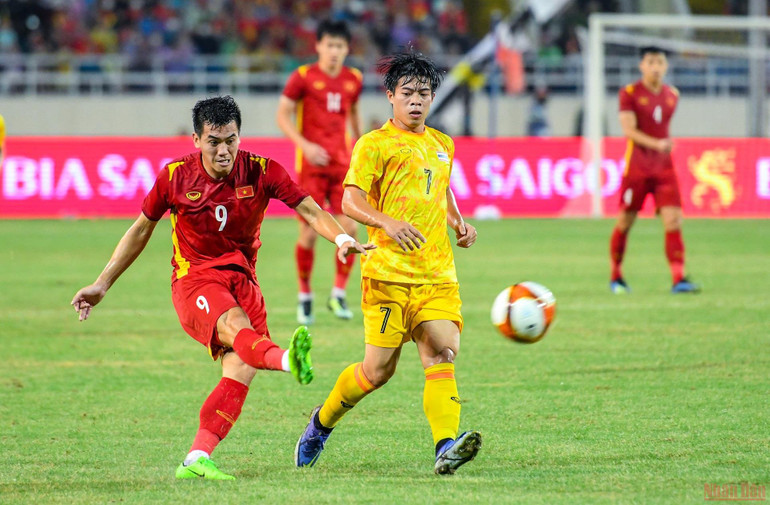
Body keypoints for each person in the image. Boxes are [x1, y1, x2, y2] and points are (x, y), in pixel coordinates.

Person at [71, 96, 373, 480]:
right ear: (197, 140)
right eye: (213, 141)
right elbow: (140, 230)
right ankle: (286, 360)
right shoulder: (174, 176)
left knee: (240, 369)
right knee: (233, 324)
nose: (224, 149)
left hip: (243, 280)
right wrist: (102, 283)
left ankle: (197, 458)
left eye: (230, 139)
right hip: (195, 277)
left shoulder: (262, 171)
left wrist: (342, 240)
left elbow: (311, 210)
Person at [294, 51, 482, 475]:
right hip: (387, 274)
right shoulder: (373, 144)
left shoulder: (441, 143)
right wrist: (387, 222)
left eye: (424, 93)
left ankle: (445, 448)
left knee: (442, 352)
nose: (416, 100)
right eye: (408, 93)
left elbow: (442, 189)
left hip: (437, 274)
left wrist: (459, 223)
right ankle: (320, 424)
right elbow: (350, 201)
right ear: (391, 96)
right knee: (377, 372)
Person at [276, 19, 363, 325]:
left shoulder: (354, 79)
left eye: (340, 46)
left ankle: (338, 294)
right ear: (318, 46)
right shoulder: (302, 77)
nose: (334, 51)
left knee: (350, 230)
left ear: (347, 48)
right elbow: (282, 114)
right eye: (330, 45)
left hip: (342, 167)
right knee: (309, 234)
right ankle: (305, 296)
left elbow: (352, 113)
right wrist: (305, 145)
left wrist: (361, 146)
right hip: (312, 167)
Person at [610, 46, 700, 294]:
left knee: (673, 220)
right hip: (637, 168)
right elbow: (629, 130)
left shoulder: (672, 95)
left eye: (660, 62)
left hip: (664, 169)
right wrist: (658, 144)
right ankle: (616, 276)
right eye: (650, 62)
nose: (656, 67)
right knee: (625, 221)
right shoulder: (628, 93)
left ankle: (678, 279)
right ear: (642, 66)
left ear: (666, 66)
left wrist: (662, 147)